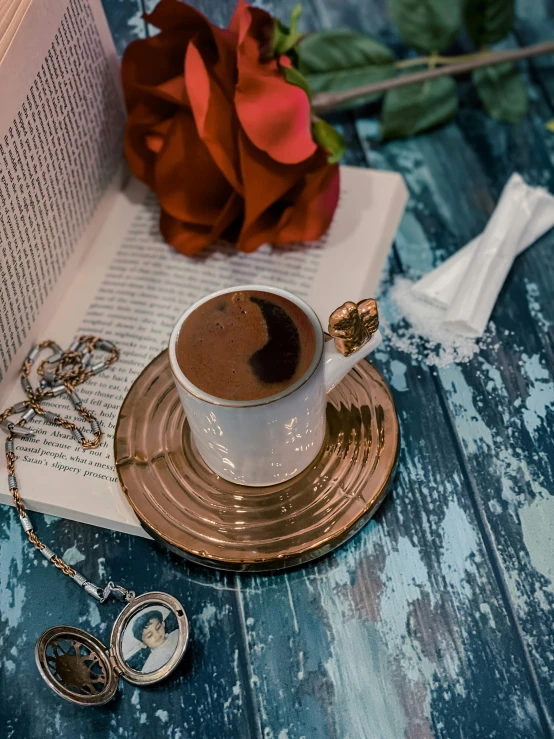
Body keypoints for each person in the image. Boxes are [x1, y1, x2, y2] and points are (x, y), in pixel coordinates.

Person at [126, 609, 179, 673]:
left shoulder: (177, 634)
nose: (156, 635)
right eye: (149, 635)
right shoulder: (150, 667)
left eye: (158, 627)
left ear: (163, 624)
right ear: (143, 644)